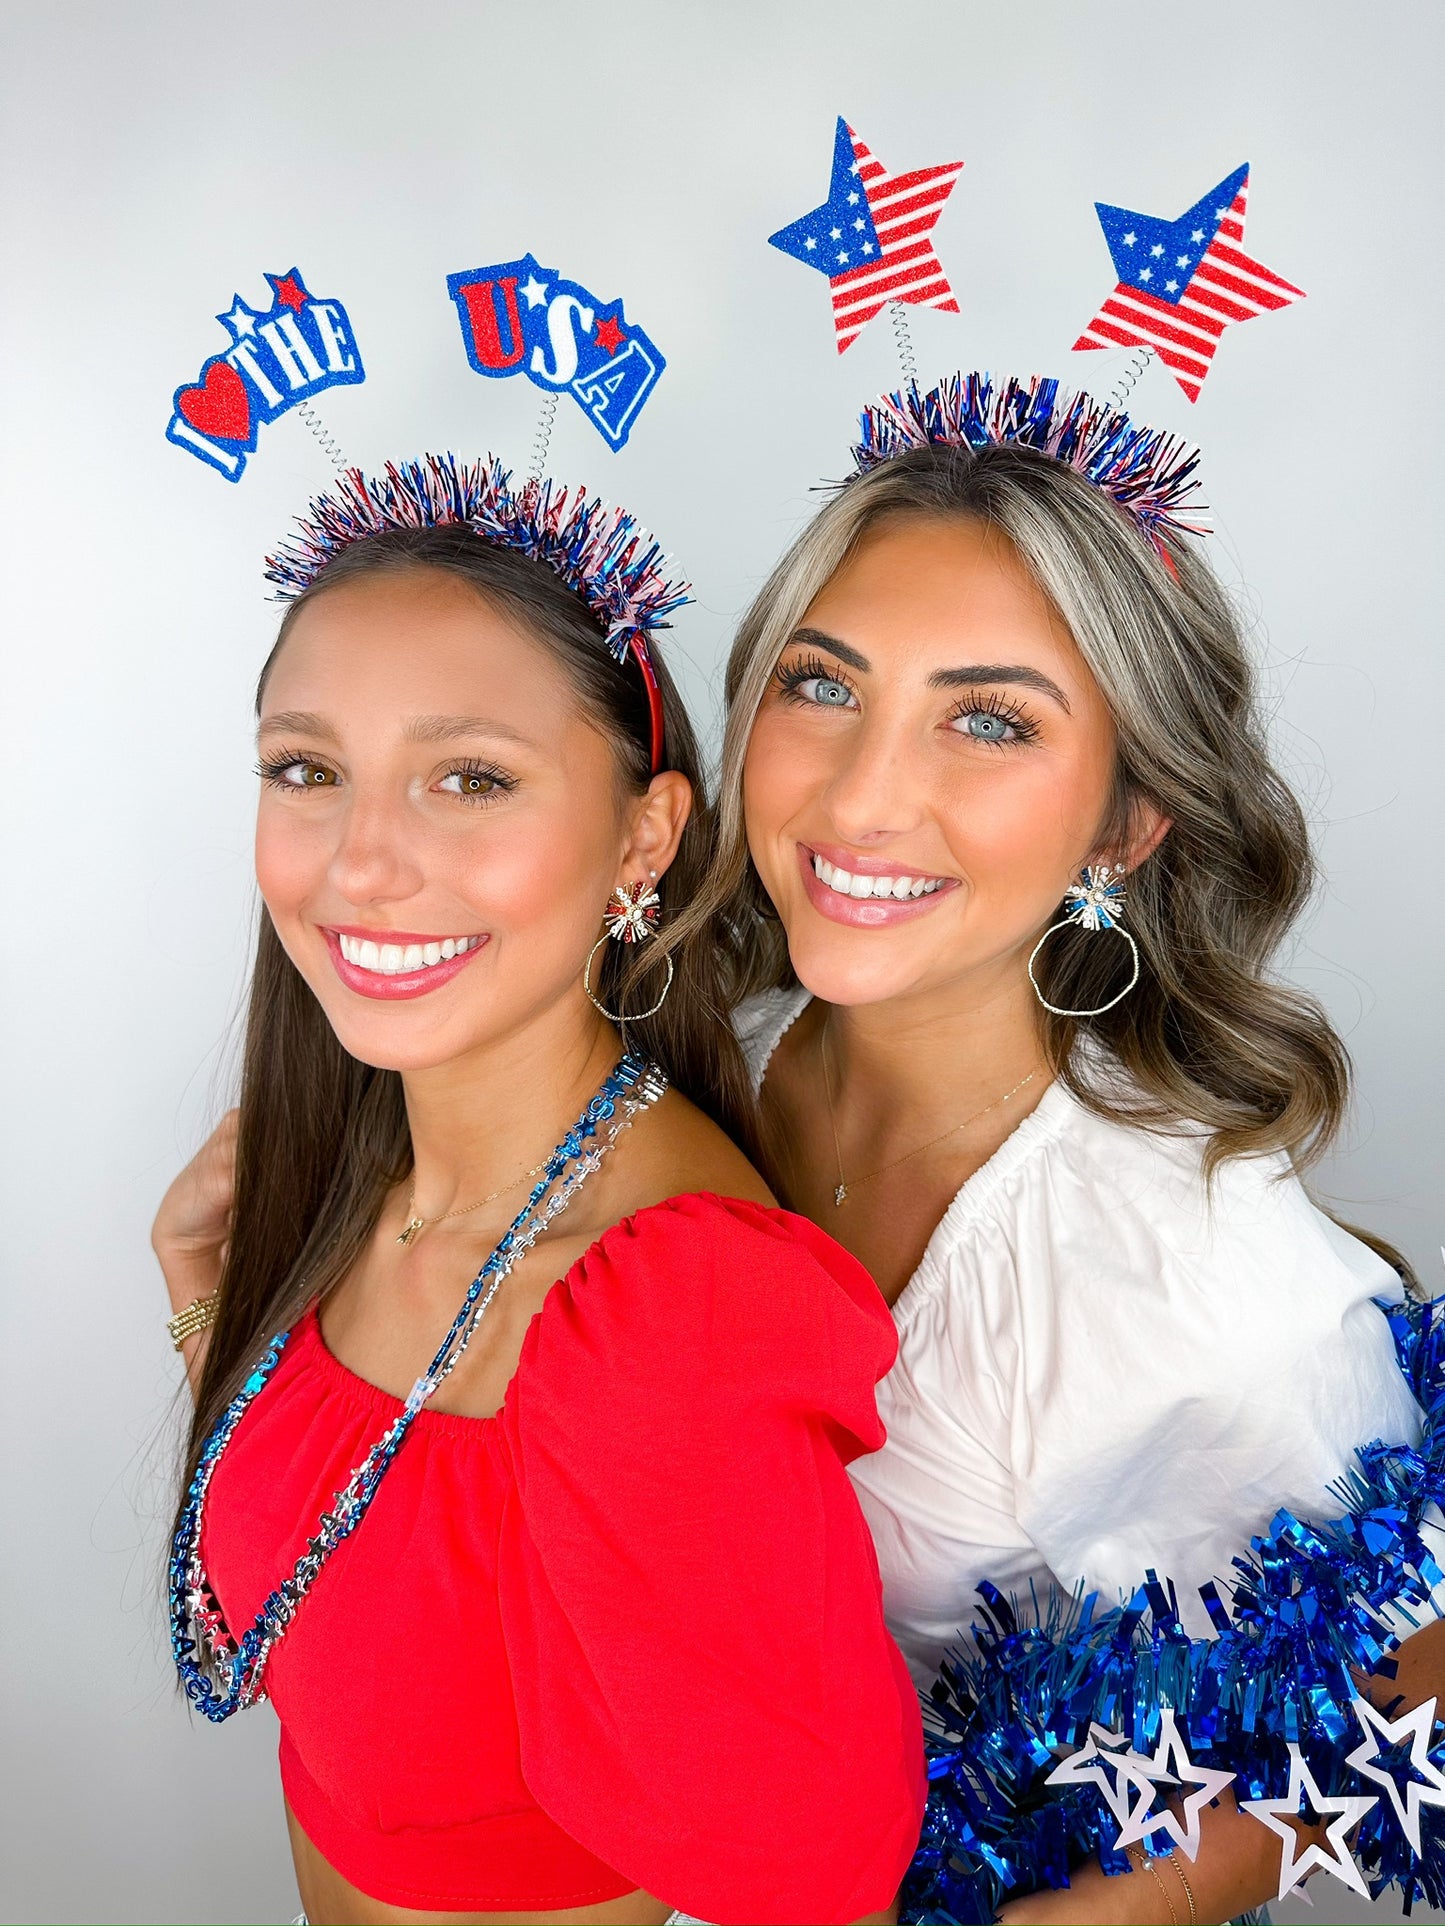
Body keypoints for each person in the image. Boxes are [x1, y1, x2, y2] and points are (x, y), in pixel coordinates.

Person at [152, 456, 924, 1926]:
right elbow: (325, 1619)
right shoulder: (352, 1173)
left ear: (644, 837)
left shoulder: (666, 1312)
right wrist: (209, 1307)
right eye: (307, 768)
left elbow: (812, 1874)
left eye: (470, 778)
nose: (361, 863)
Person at [717, 377, 1443, 1921]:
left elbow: (1424, 1654)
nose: (861, 792)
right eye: (821, 685)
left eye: (987, 719)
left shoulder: (1184, 1258)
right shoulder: (706, 1064)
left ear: (1124, 823)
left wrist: (1116, 1909)